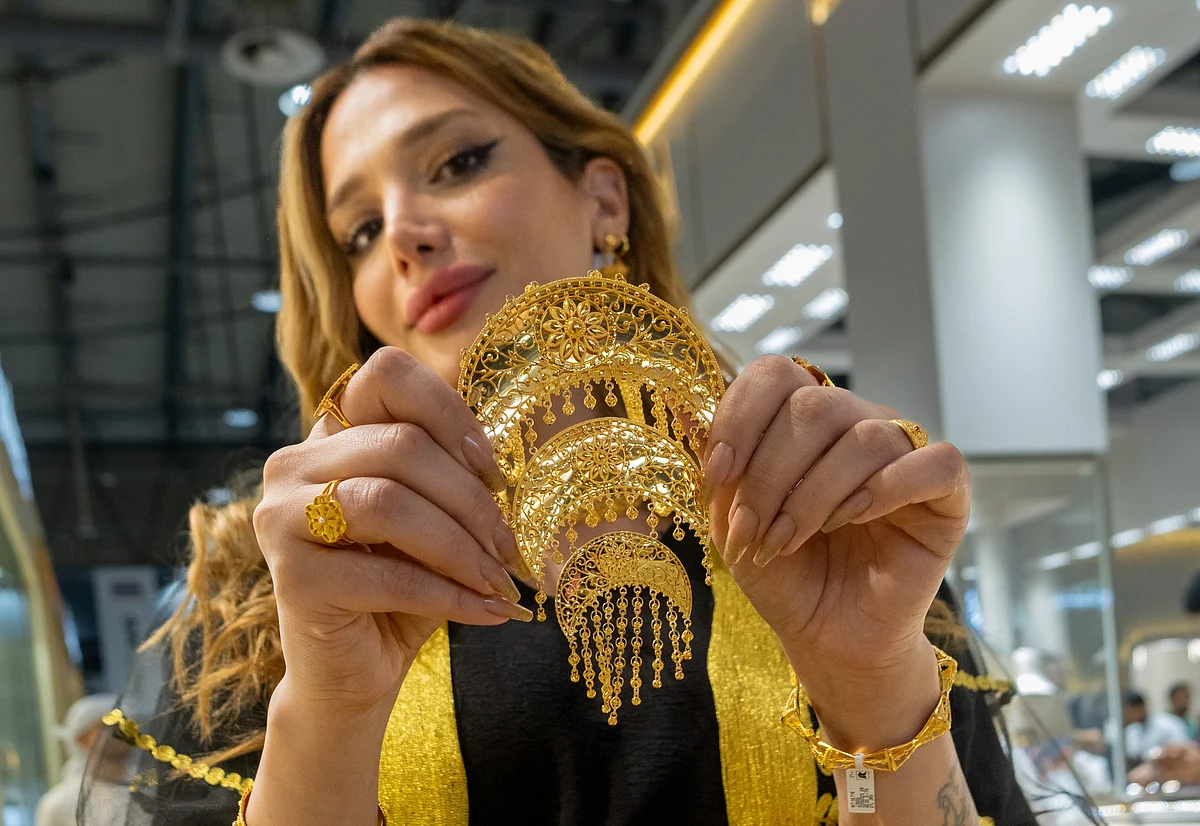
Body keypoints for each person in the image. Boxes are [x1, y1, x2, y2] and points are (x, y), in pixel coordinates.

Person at [80, 18, 1037, 826]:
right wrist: (327, 709)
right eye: (360, 232)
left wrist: (872, 683)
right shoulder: (272, 594)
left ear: (604, 198)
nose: (405, 234)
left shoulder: (822, 513)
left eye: (457, 163)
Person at [36, 694, 117, 826]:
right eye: (109, 727)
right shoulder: (57, 805)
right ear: (82, 739)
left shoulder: (145, 791)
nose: (123, 736)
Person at [1124, 690, 1192, 768]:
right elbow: (1134, 755)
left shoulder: (1167, 723)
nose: (1133, 715)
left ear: (1143, 706)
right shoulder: (1131, 731)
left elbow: (1182, 749)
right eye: (1130, 712)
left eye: (1135, 710)